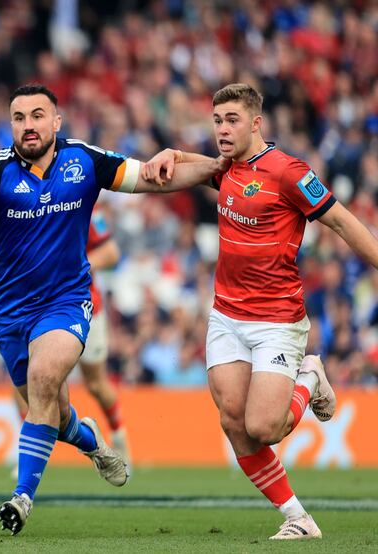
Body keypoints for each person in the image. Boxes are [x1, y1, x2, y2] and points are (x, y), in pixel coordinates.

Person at [0, 83, 224, 535]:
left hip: (66, 302)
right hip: (10, 315)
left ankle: (21, 498)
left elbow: (155, 177)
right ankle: (91, 440)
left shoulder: (84, 160)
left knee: (43, 381)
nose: (28, 125)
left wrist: (216, 168)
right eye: (19, 117)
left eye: (37, 115)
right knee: (54, 413)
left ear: (56, 122)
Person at [143, 82, 378, 540]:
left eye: (232, 121)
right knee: (234, 421)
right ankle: (298, 518)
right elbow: (200, 166)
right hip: (226, 316)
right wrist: (169, 152)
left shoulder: (289, 173)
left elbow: (342, 220)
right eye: (216, 121)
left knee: (265, 427)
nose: (222, 130)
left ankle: (310, 375)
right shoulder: (226, 168)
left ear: (256, 123)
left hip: (276, 320)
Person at [12, 208, 131, 474]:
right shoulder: (21, 202)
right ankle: (27, 454)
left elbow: (111, 253)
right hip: (39, 308)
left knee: (96, 384)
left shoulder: (81, 201)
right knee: (25, 377)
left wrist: (68, 265)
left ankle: (119, 436)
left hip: (84, 305)